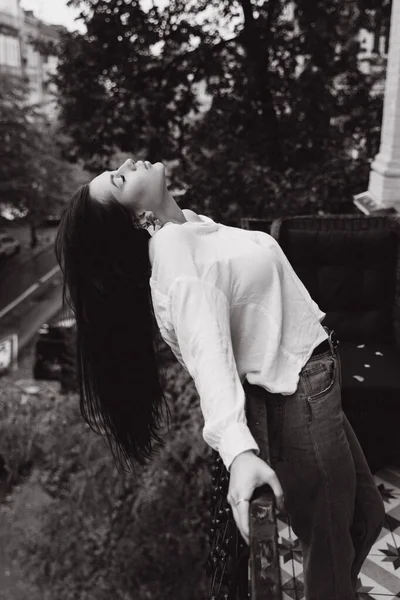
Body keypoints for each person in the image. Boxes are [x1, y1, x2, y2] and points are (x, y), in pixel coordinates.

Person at [55, 158, 385, 599]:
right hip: (299, 394)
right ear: (138, 219)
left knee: (366, 516)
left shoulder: (192, 228)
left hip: (311, 383)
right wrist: (239, 452)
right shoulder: (176, 255)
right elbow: (207, 353)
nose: (128, 163)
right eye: (120, 179)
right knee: (330, 542)